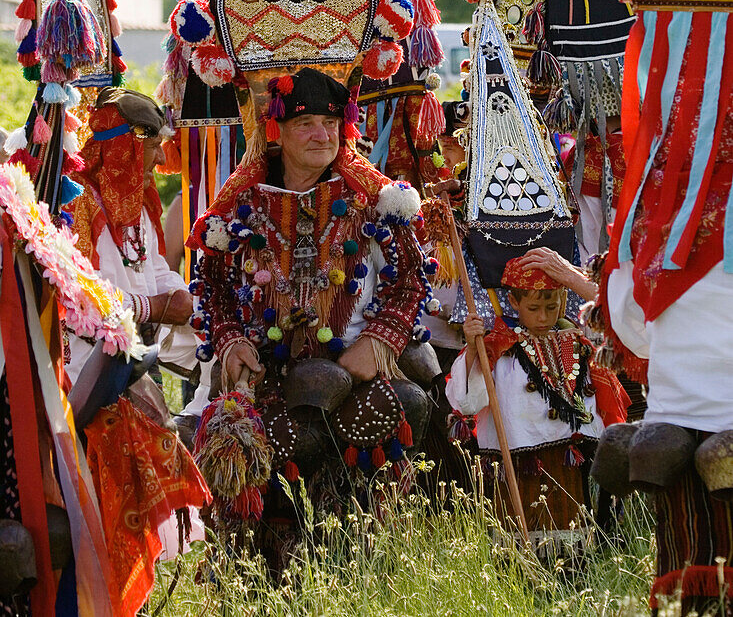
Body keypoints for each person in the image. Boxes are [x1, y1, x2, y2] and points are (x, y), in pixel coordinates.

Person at [190, 67, 432, 565]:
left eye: (330, 121)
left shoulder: (373, 200)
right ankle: (257, 577)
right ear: (277, 128)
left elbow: (411, 278)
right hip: (267, 372)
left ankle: (361, 569)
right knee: (242, 438)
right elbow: (211, 283)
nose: (323, 134)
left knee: (400, 407)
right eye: (306, 124)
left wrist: (382, 338)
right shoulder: (241, 203)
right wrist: (233, 339)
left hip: (353, 369)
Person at [447, 255, 628, 548]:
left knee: (571, 529)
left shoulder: (579, 343)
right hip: (518, 461)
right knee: (519, 531)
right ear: (513, 302)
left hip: (569, 457)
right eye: (534, 308)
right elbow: (467, 401)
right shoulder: (498, 348)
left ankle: (574, 566)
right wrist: (472, 347)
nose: (543, 317)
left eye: (551, 307)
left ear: (564, 298)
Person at [69, 87, 194, 383]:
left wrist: (185, 299)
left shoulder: (135, 200)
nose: (163, 157)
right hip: (86, 371)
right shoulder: (76, 201)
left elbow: (154, 270)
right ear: (125, 148)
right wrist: (150, 307)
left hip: (138, 357)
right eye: (153, 146)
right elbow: (78, 294)